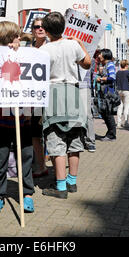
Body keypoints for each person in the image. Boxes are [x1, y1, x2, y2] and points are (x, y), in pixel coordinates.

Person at [39, 11, 91, 199]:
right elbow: (87, 64)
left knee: (56, 140)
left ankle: (61, 187)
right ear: (64, 27)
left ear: (45, 30)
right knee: (74, 140)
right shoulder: (72, 45)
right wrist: (81, 44)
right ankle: (72, 181)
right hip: (73, 93)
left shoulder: (43, 51)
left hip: (53, 95)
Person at [0, 21, 35, 214]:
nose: (19, 39)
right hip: (0, 114)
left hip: (24, 114)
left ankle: (28, 193)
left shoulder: (26, 55)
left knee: (26, 156)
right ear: (6, 39)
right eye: (16, 36)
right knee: (0, 156)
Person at [29, 17, 49, 177]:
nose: (40, 29)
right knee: (35, 133)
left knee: (51, 133)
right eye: (36, 27)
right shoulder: (28, 48)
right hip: (33, 96)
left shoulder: (52, 47)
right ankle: (41, 165)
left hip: (50, 95)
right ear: (32, 30)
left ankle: (56, 169)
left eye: (43, 26)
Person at [95, 49, 117, 141]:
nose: (99, 56)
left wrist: (101, 79)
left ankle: (112, 135)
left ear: (105, 55)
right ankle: (109, 133)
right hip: (104, 93)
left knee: (108, 114)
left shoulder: (110, 64)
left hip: (108, 93)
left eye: (100, 54)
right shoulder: (104, 65)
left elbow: (112, 77)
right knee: (104, 113)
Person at [115, 59, 129, 128]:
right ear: (126, 65)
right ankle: (126, 122)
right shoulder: (128, 72)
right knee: (126, 107)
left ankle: (118, 123)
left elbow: (116, 81)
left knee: (119, 107)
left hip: (119, 90)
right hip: (127, 90)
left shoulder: (117, 72)